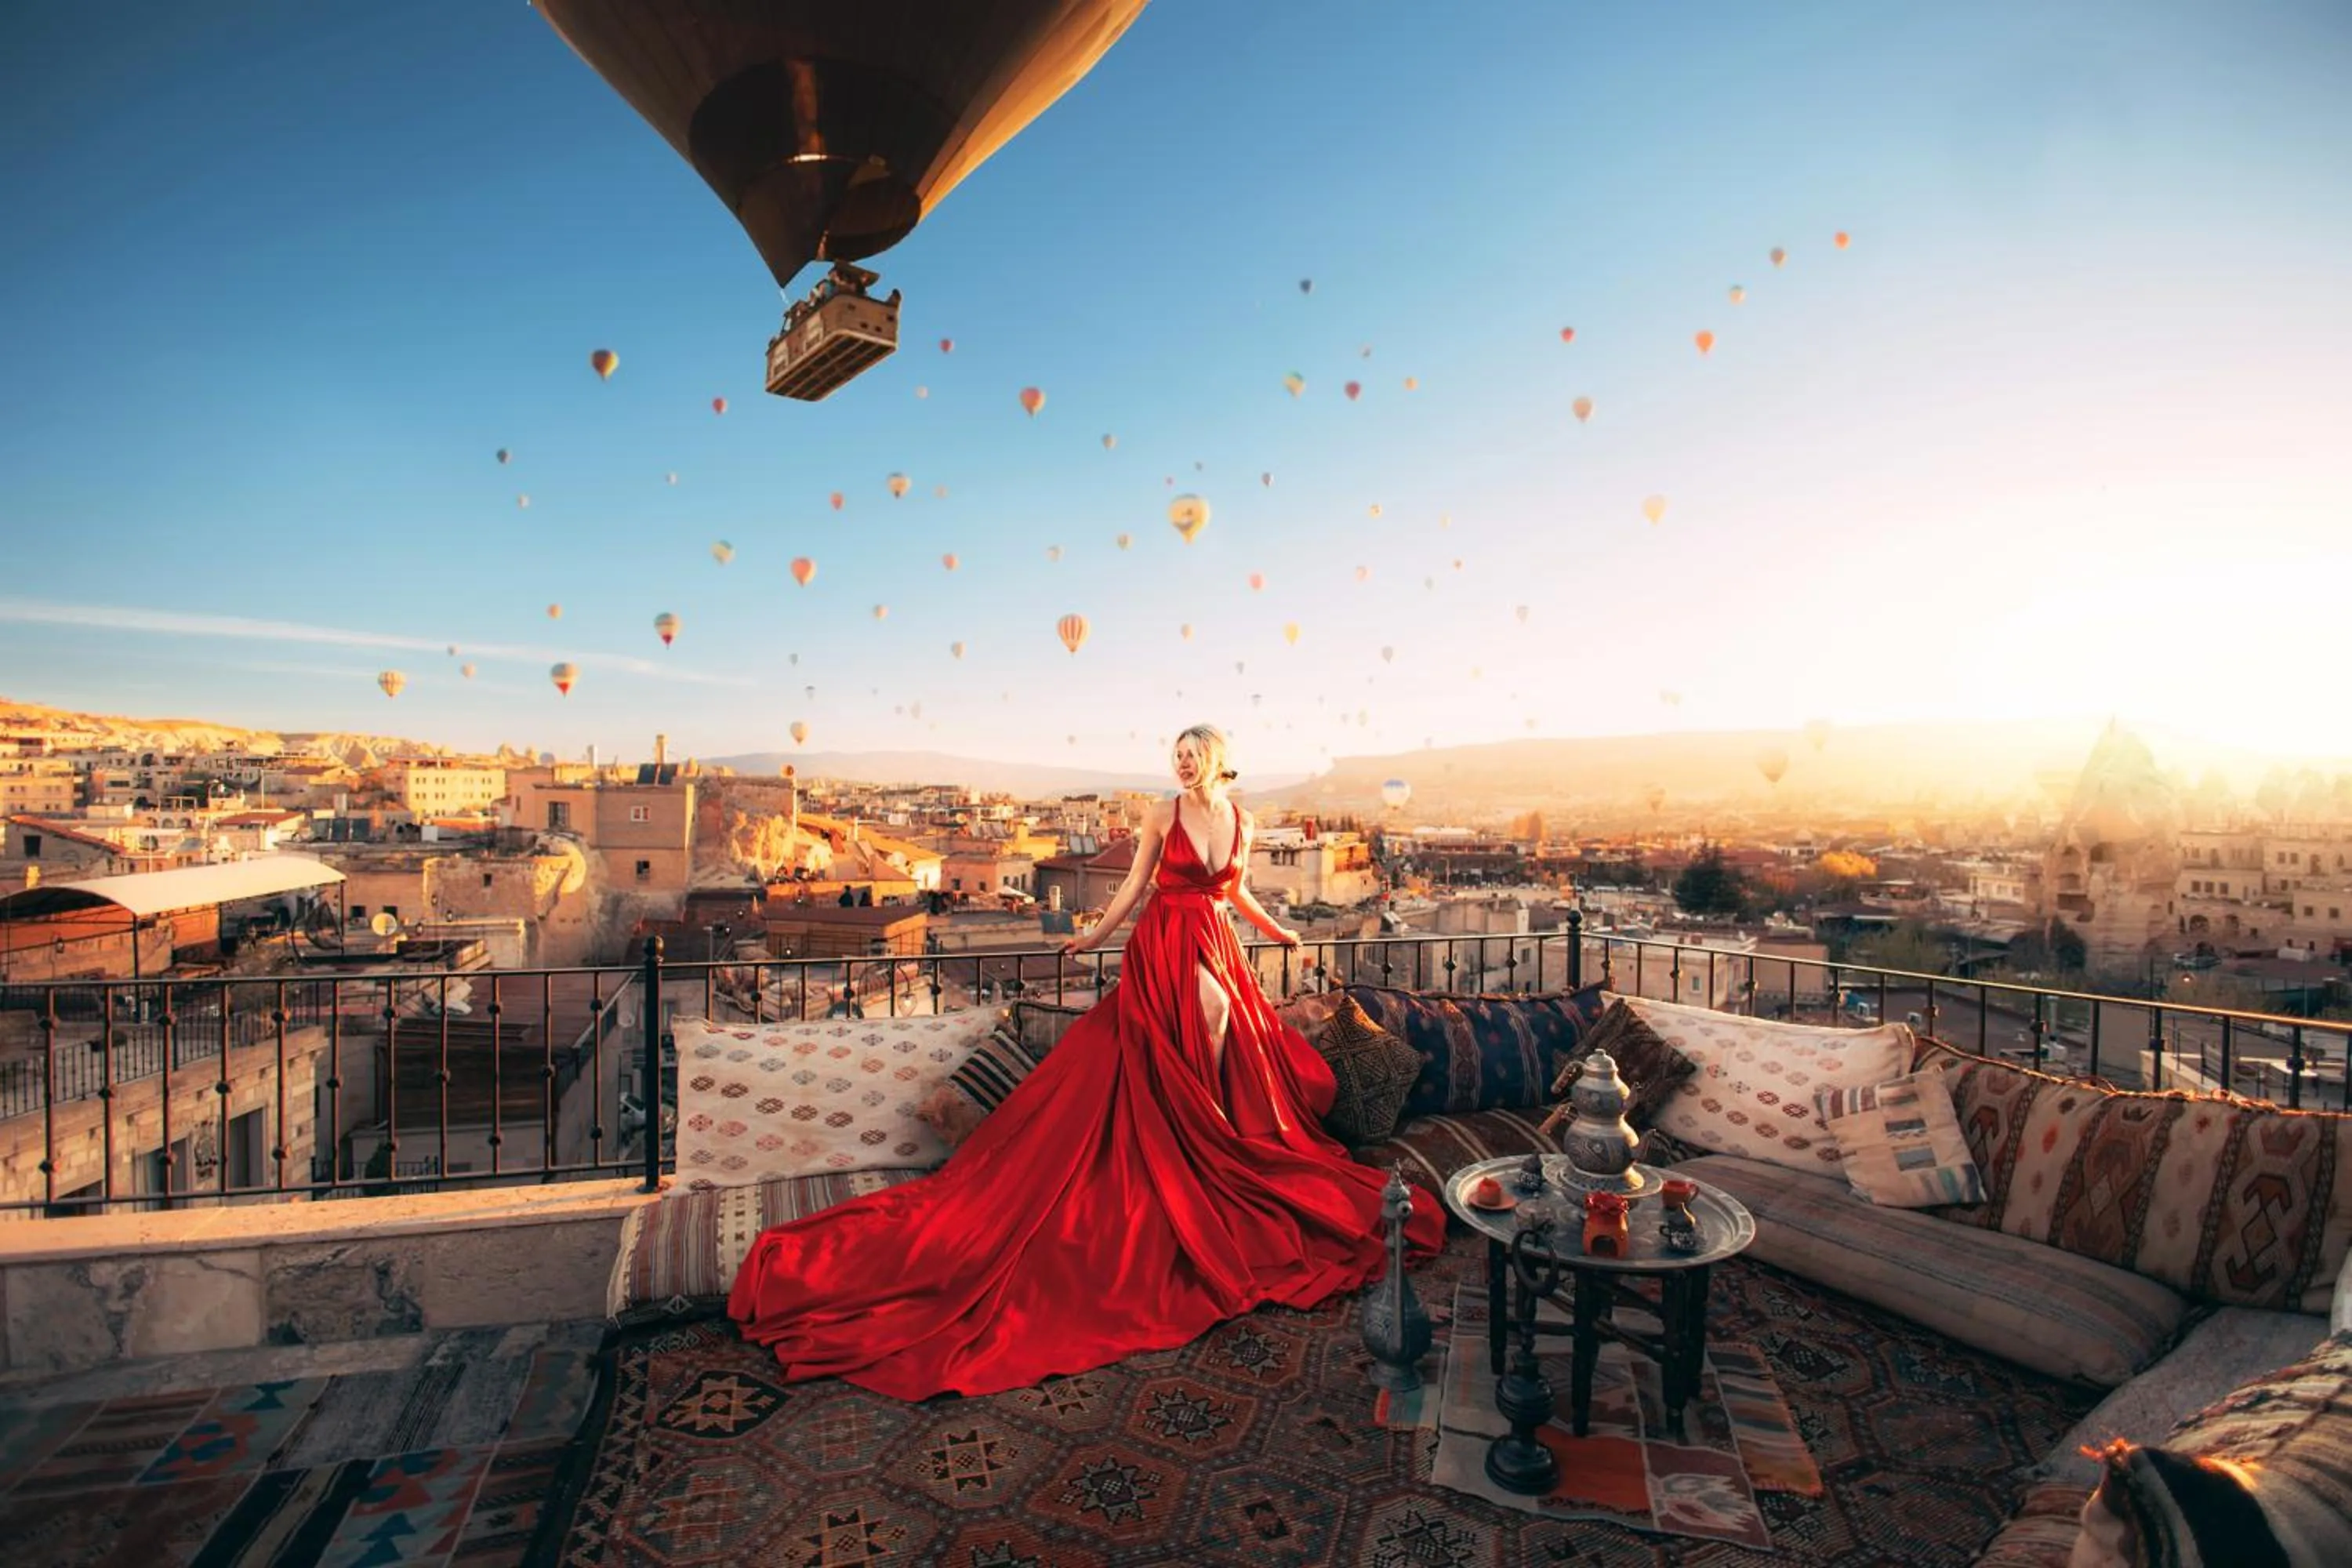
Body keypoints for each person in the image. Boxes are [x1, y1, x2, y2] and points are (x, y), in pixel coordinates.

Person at [728, 723, 1445, 1400]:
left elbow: (1237, 894)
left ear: (1218, 758)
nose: (1182, 762)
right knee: (1211, 1017)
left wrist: (1279, 928)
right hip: (1164, 943)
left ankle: (1209, 1132)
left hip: (1214, 939)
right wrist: (1091, 937)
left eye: (1193, 752)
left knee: (1226, 1022)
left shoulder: (1243, 821)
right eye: (1177, 752)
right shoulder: (1163, 815)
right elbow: (1134, 888)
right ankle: (1199, 1132)